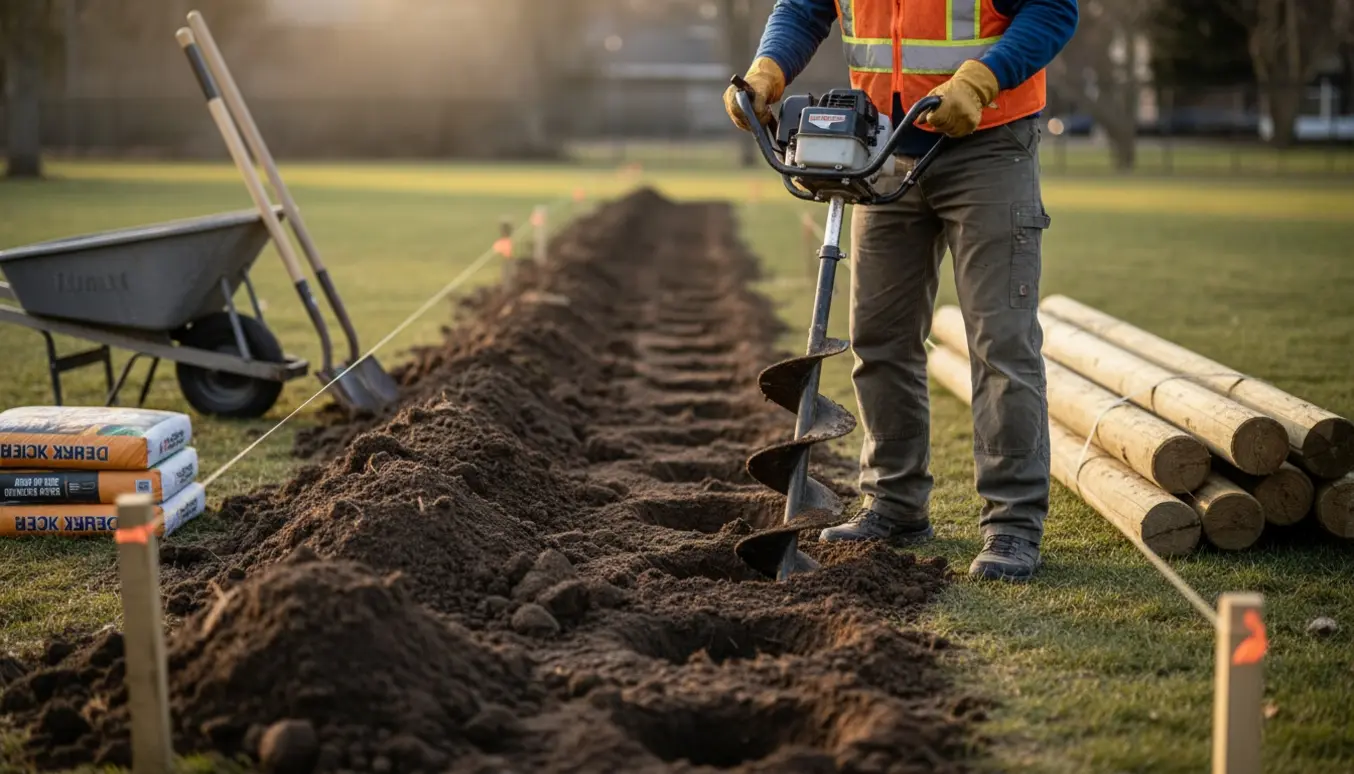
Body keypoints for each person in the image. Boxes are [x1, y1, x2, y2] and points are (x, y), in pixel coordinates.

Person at [724, 0, 1078, 582]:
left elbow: (1051, 10)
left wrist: (982, 79)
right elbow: (804, 8)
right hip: (884, 147)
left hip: (989, 143)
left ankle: (1012, 525)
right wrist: (768, 67)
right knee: (880, 338)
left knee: (1000, 341)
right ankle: (894, 503)